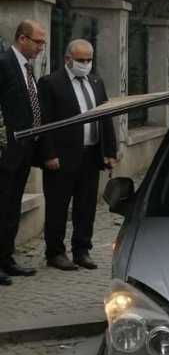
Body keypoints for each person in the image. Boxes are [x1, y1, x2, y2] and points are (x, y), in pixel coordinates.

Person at [37, 39, 117, 271]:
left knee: (86, 206)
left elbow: (106, 116)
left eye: (89, 60)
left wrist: (109, 151)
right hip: (61, 157)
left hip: (90, 155)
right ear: (67, 59)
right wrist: (49, 154)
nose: (85, 64)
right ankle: (55, 252)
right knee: (58, 206)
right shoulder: (51, 83)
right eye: (80, 60)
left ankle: (82, 250)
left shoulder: (96, 82)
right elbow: (45, 122)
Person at [0, 20, 47, 285]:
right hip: (7, 152)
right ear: (22, 39)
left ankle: (7, 258)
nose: (41, 47)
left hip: (24, 150)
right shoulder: (5, 64)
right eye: (38, 41)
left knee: (11, 208)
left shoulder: (27, 68)